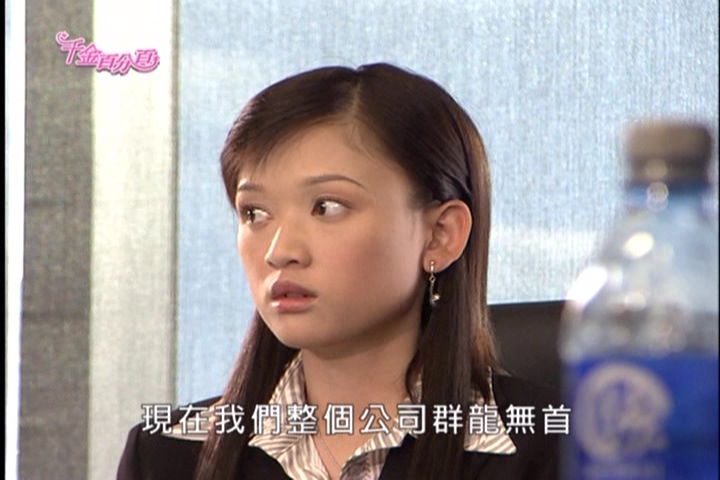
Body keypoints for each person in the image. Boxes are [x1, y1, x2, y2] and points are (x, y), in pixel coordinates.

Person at [117, 62, 559, 480]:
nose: (278, 251)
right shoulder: (165, 457)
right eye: (254, 213)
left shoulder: (559, 449)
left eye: (327, 207)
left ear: (440, 235)